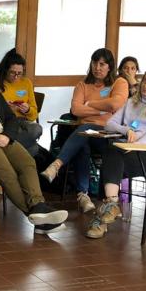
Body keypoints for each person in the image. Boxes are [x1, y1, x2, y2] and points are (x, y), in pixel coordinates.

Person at [0, 55, 68, 234]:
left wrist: (7, 136)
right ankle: (37, 216)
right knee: (8, 172)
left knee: (28, 162)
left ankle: (38, 206)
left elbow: (10, 118)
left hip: (2, 136)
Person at [83, 68, 146, 239]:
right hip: (126, 149)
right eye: (145, 81)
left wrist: (135, 143)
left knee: (111, 161)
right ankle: (111, 205)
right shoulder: (133, 101)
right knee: (112, 154)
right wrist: (126, 130)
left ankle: (102, 218)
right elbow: (109, 124)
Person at [40, 48, 130, 213]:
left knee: (85, 128)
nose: (97, 67)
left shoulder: (119, 83)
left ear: (110, 66)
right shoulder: (83, 84)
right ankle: (83, 196)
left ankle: (57, 166)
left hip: (107, 135)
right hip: (84, 135)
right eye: (95, 63)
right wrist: (102, 110)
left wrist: (88, 105)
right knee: (82, 142)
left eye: (102, 64)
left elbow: (115, 104)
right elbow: (75, 110)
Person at [0, 48, 42, 154]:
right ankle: (10, 146)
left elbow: (34, 115)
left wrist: (27, 109)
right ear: (5, 70)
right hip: (2, 121)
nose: (16, 76)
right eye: (12, 73)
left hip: (21, 120)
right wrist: (5, 107)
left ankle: (5, 144)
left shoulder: (26, 82)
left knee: (36, 129)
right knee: (33, 148)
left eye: (20, 73)